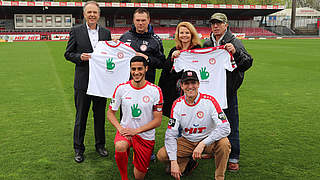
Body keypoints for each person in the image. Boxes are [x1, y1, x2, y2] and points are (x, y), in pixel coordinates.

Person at [157, 70, 231, 180]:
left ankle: (219, 177)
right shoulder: (177, 104)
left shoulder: (210, 101)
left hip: (208, 140)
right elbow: (170, 134)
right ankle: (187, 161)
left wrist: (203, 143)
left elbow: (225, 127)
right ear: (181, 85)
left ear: (198, 84)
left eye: (193, 83)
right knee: (162, 155)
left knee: (224, 143)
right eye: (186, 83)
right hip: (187, 140)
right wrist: (173, 161)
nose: (190, 86)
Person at [203, 13, 253, 171]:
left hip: (228, 91)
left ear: (226, 25)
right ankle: (212, 149)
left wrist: (236, 53)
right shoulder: (207, 43)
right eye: (213, 24)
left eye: (219, 23)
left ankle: (233, 157)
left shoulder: (234, 42)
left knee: (231, 123)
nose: (215, 26)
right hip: (211, 92)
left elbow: (247, 62)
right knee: (210, 123)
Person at [64, 1, 111, 163]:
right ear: (84, 14)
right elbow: (68, 53)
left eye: (95, 12)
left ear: (99, 15)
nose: (92, 15)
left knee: (99, 116)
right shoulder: (76, 31)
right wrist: (80, 57)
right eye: (89, 12)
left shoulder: (106, 32)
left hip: (101, 83)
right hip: (83, 82)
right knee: (81, 117)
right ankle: (78, 149)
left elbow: (109, 56)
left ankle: (100, 145)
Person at [107, 56, 163, 180]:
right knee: (120, 146)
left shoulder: (155, 90)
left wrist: (135, 131)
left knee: (139, 177)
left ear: (146, 69)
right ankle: (124, 178)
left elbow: (158, 121)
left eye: (139, 69)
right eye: (133, 69)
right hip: (126, 132)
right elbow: (110, 113)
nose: (136, 72)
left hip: (145, 135)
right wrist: (120, 128)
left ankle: (137, 159)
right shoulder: (122, 88)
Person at [158, 21, 201, 118]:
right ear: (178, 35)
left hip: (192, 89)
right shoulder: (174, 50)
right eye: (181, 33)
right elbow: (165, 71)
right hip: (176, 91)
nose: (184, 35)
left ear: (192, 34)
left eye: (187, 33)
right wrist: (172, 58)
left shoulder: (198, 50)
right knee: (178, 117)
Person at [119, 8, 166, 84]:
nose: (140, 23)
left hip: (147, 84)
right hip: (126, 84)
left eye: (143, 20)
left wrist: (147, 59)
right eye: (137, 20)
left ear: (148, 20)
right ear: (133, 20)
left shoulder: (155, 40)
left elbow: (162, 63)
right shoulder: (125, 37)